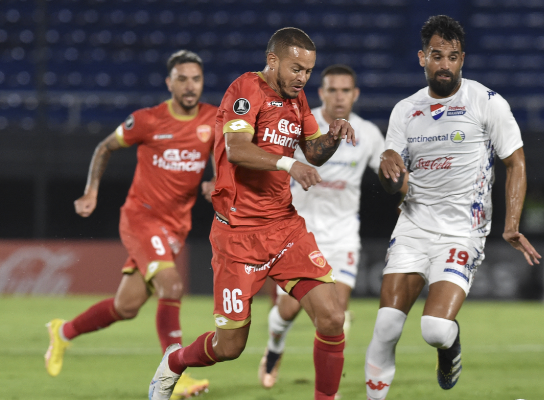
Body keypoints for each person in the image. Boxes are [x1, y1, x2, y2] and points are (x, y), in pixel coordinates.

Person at [147, 28, 356, 400]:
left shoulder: (297, 99)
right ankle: (175, 363)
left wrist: (334, 135)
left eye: (308, 71)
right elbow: (238, 148)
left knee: (332, 317)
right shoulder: (246, 90)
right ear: (273, 60)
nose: (302, 78)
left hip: (285, 228)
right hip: (238, 237)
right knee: (229, 347)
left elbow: (313, 151)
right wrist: (288, 164)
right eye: (296, 69)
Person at [364, 15, 542, 400]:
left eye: (453, 57)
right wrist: (388, 171)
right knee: (387, 326)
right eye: (437, 55)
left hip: (462, 230)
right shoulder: (405, 110)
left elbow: (516, 161)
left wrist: (511, 224)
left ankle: (450, 345)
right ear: (421, 58)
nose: (445, 64)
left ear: (463, 59)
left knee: (435, 330)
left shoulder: (487, 102)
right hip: (412, 226)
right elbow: (392, 168)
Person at [44, 50, 216, 399]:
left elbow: (225, 154)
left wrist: (216, 180)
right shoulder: (148, 120)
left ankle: (62, 333)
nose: (189, 85)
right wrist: (90, 191)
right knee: (172, 287)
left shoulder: (213, 119)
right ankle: (174, 374)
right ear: (169, 83)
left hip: (175, 226)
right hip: (142, 218)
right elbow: (105, 147)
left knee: (126, 306)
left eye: (195, 79)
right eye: (181, 78)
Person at [258, 64, 386, 389]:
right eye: (332, 89)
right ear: (321, 92)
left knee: (335, 315)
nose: (339, 96)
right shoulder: (299, 123)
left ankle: (329, 388)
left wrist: (399, 178)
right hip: (299, 232)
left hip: (343, 236)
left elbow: (387, 172)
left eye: (345, 90)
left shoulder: (368, 133)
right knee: (286, 311)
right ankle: (274, 349)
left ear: (355, 94)